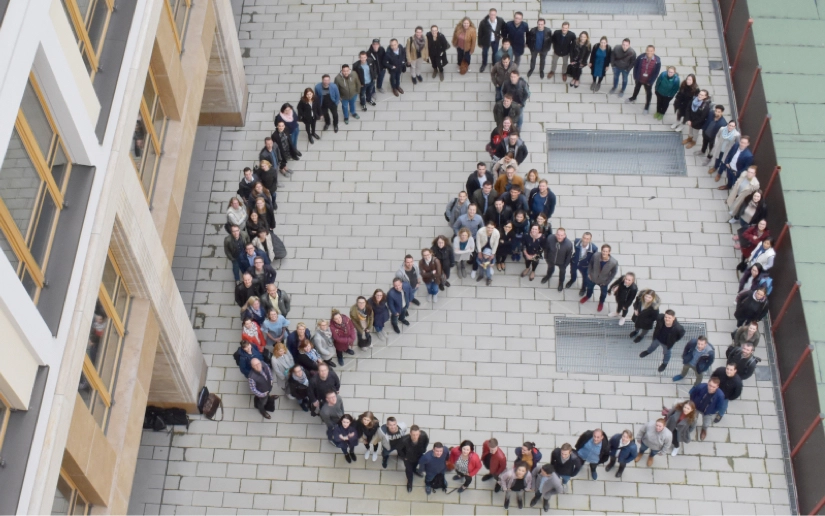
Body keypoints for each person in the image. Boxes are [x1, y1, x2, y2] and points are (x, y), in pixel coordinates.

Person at [580, 244, 619, 311]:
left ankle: (601, 302)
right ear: (601, 251)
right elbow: (590, 264)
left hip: (603, 281)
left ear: (609, 252)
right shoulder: (595, 256)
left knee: (603, 294)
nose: (604, 253)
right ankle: (588, 296)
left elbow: (613, 273)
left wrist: (607, 282)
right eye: (603, 251)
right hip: (593, 278)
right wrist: (589, 273)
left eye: (606, 251)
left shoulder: (614, 262)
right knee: (589, 288)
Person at [626, 45, 661, 114]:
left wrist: (651, 81)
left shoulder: (657, 61)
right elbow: (635, 67)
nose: (649, 52)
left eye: (651, 51)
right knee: (636, 88)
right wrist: (635, 76)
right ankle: (633, 97)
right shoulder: (641, 57)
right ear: (646, 50)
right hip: (639, 78)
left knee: (648, 93)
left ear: (654, 51)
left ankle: (647, 106)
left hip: (648, 81)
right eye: (648, 50)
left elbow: (656, 73)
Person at [397, 425, 430, 492]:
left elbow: (426, 441)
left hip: (418, 455)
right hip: (408, 459)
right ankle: (409, 482)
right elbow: (399, 449)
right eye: (413, 435)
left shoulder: (423, 436)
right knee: (409, 470)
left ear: (419, 433)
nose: (415, 437)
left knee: (415, 465)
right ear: (410, 434)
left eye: (417, 434)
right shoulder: (404, 440)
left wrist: (424, 449)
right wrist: (404, 457)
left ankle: (415, 470)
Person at [477, 8, 504, 73]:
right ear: (489, 14)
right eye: (491, 14)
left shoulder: (500, 20)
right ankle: (484, 64)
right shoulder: (483, 22)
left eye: (494, 15)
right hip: (486, 40)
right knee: (485, 53)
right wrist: (479, 43)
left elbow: (504, 27)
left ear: (496, 15)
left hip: (495, 40)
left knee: (495, 53)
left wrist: (502, 34)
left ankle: (494, 63)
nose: (492, 16)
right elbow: (480, 33)